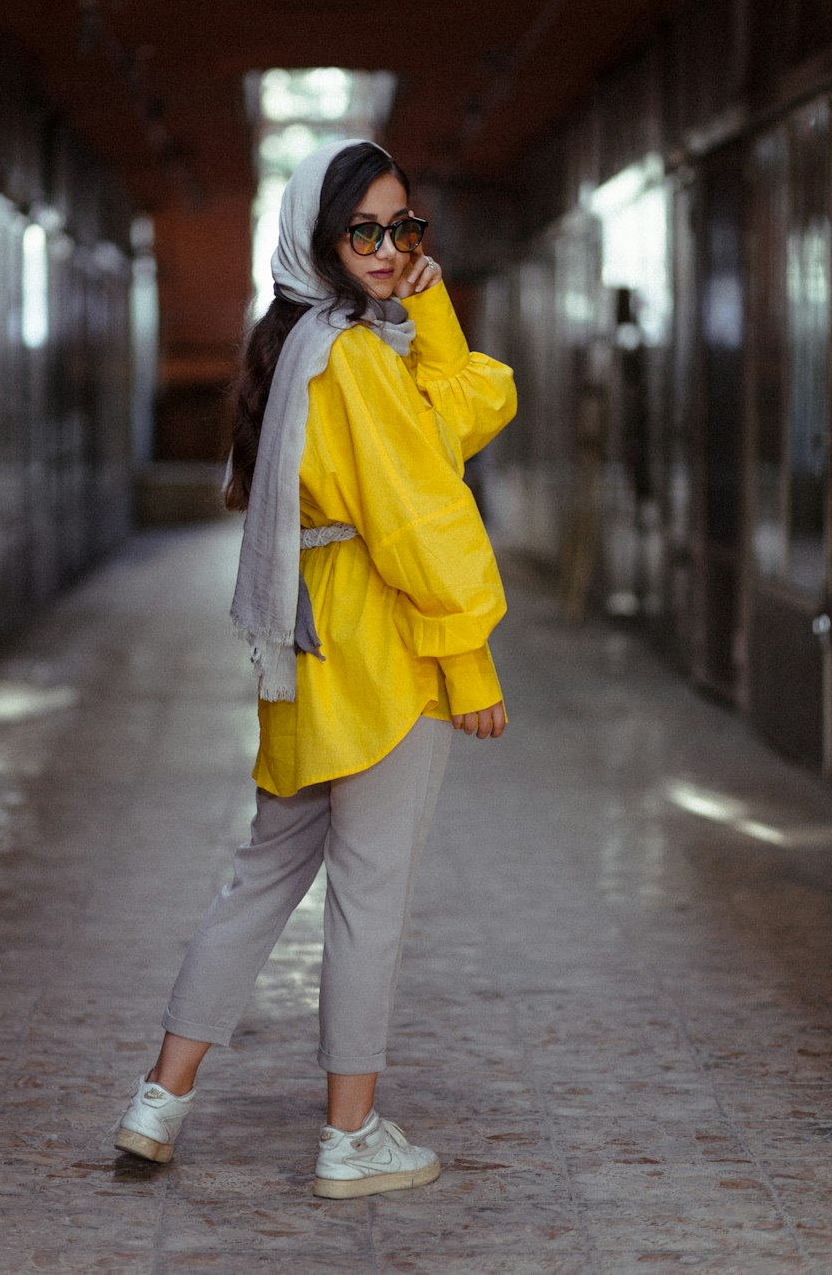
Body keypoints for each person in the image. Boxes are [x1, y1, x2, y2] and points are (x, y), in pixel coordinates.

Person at [113, 139, 517, 1198]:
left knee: (259, 880)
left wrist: (429, 312)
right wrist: (466, 660)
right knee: (369, 897)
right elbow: (425, 518)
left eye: (403, 228)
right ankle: (350, 1136)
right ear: (319, 240)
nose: (388, 250)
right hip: (379, 651)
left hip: (303, 651)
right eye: (365, 231)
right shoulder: (359, 361)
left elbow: (466, 413)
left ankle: (158, 1100)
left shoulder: (306, 347)